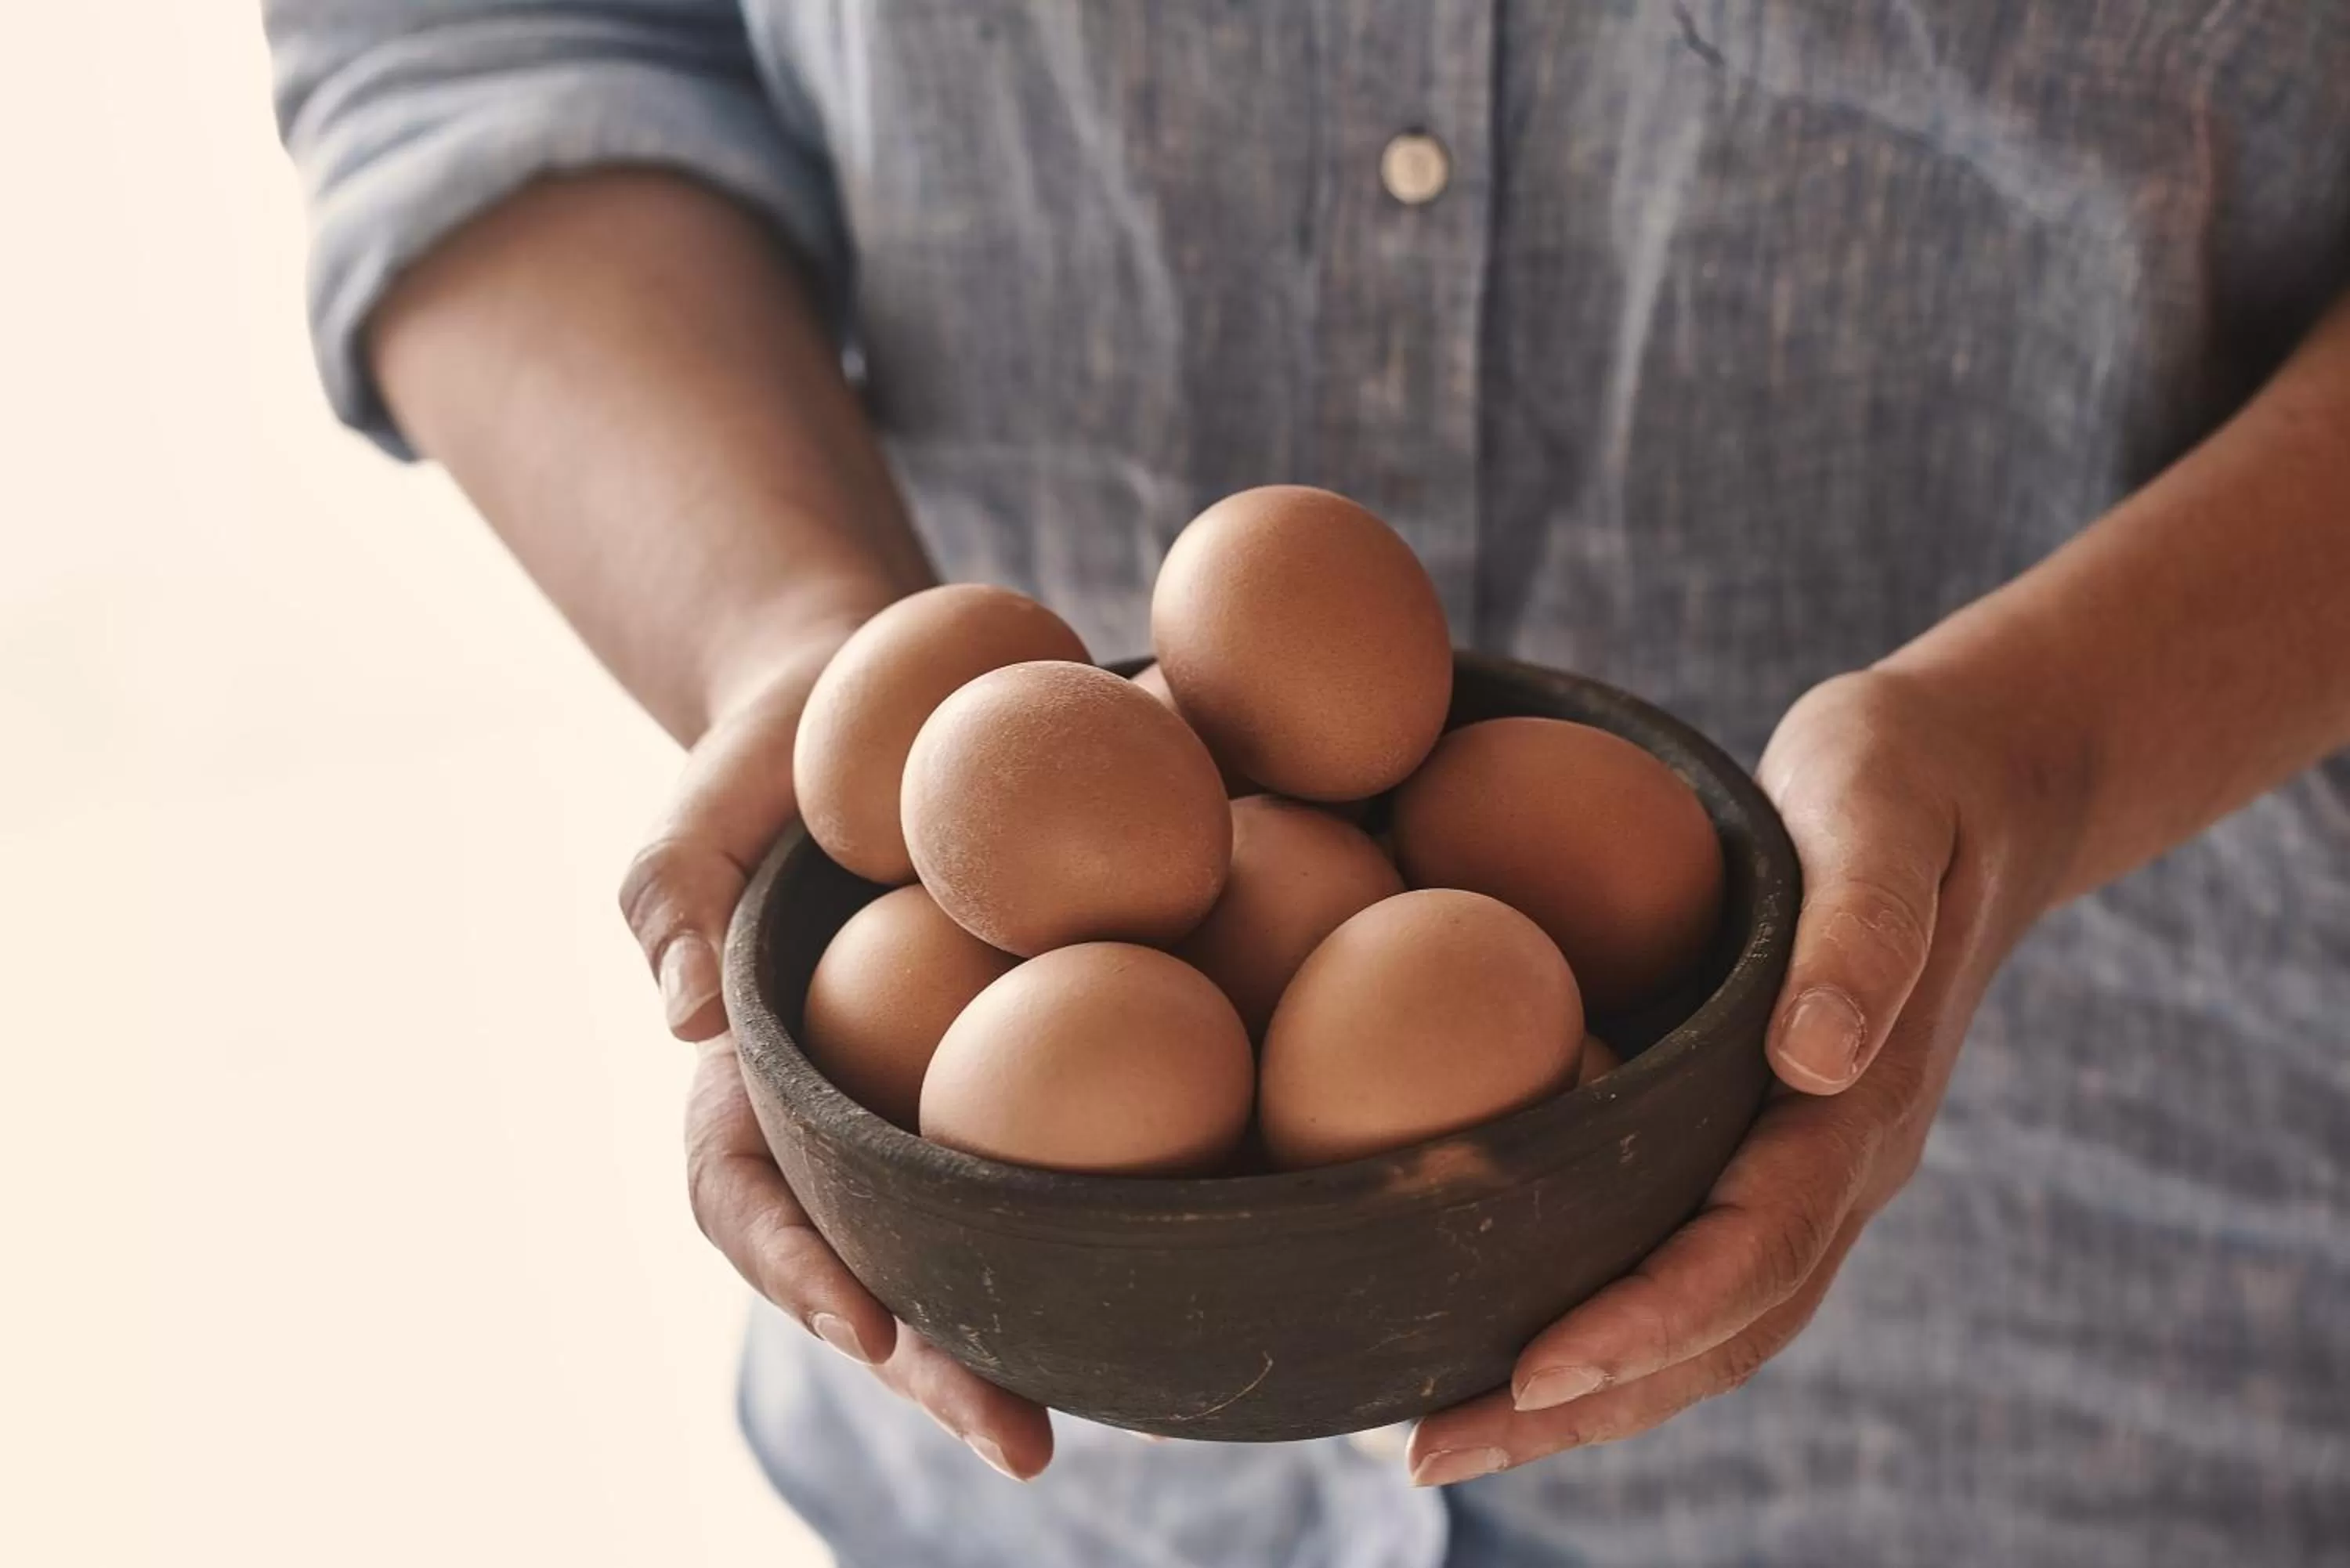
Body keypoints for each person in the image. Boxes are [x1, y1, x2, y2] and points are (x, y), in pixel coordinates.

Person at [262, 4, 2350, 1563]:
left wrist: (2036, 757)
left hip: (2089, 1387)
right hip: (1035, 1482)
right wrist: (799, 668)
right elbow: (477, 42)